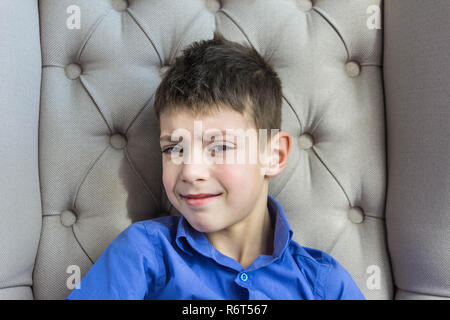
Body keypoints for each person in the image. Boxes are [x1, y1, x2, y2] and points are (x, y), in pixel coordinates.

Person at [67, 31, 365, 300]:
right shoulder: (143, 255)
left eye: (220, 146)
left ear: (273, 155)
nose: (191, 171)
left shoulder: (323, 284)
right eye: (173, 148)